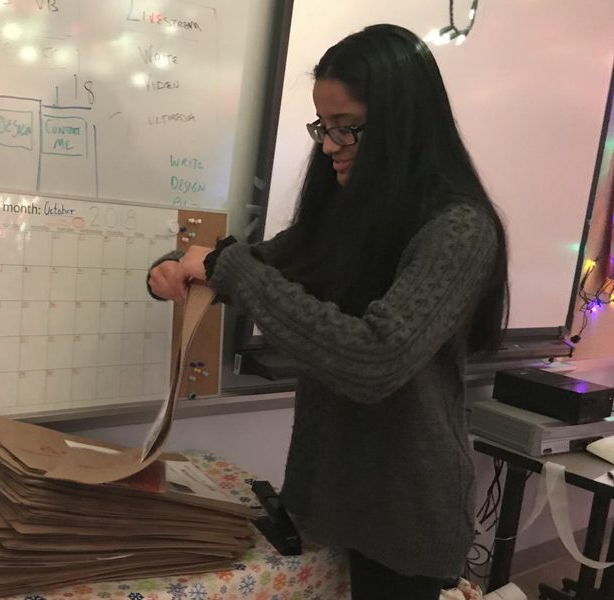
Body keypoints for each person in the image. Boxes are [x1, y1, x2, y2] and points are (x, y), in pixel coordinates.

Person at [148, 24, 509, 600]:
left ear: (403, 125)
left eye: (348, 129)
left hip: (405, 512)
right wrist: (174, 267)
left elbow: (374, 360)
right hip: (328, 495)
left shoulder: (459, 229)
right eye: (324, 127)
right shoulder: (346, 215)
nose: (329, 145)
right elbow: (254, 263)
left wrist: (228, 269)